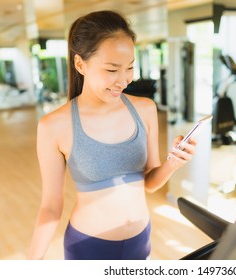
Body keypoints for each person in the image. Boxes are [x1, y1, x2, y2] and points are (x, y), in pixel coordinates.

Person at [27, 10, 197, 260]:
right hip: (88, 249)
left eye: (129, 67)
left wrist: (174, 162)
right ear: (80, 64)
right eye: (111, 69)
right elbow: (51, 207)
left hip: (141, 241)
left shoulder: (145, 109)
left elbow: (149, 183)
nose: (123, 80)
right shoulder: (54, 126)